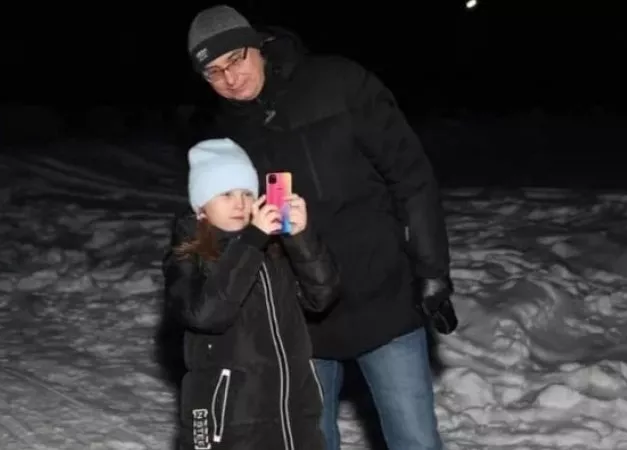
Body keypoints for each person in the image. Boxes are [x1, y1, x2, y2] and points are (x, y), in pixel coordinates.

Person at [182, 6, 459, 450]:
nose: (230, 79)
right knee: (310, 441)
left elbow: (411, 176)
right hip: (301, 319)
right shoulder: (224, 133)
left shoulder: (339, 83)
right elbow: (219, 223)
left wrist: (431, 268)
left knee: (415, 439)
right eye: (214, 72)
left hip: (382, 295)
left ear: (257, 45)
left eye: (236, 59)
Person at [163, 138, 340, 450]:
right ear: (201, 206)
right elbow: (206, 314)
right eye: (226, 194)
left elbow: (322, 295)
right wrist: (252, 241)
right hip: (228, 424)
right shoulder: (188, 257)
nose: (240, 204)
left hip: (293, 417)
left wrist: (301, 238)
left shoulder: (272, 250)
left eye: (247, 193)